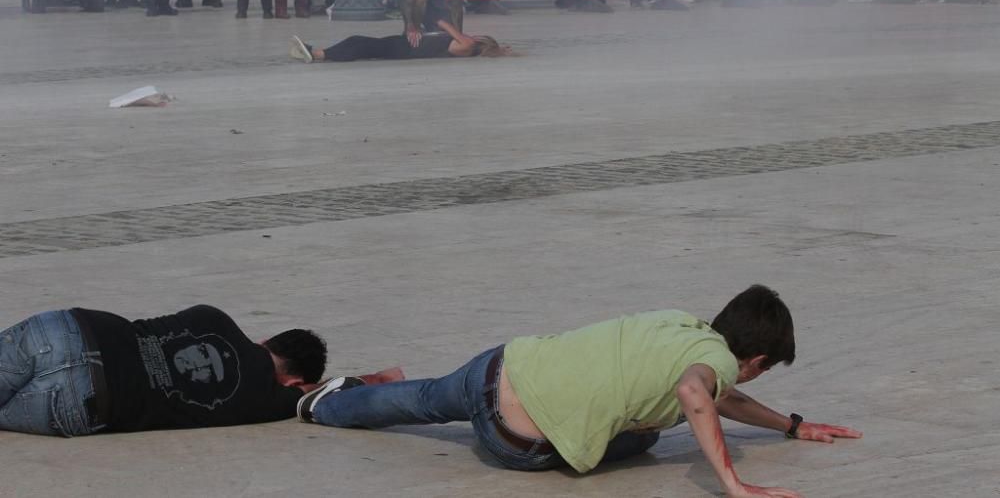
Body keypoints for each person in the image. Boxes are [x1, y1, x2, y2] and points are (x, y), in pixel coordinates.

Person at [297, 285, 861, 497]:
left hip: (498, 367)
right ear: (755, 360)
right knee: (643, 439)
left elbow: (717, 394)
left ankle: (320, 403)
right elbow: (699, 393)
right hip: (513, 442)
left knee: (420, 400)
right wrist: (733, 484)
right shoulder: (711, 365)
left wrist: (791, 425)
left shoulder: (681, 323)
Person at [0, 305, 327, 436]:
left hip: (70, 330)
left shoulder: (214, 317)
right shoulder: (260, 404)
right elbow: (312, 396)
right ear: (294, 380)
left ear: (266, 340)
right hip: (87, 396)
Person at [288, 19, 512, 64]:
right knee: (362, 45)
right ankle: (318, 53)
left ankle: (318, 54)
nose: (473, 36)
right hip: (406, 45)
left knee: (361, 45)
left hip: (405, 48)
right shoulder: (464, 46)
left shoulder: (467, 46)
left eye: (478, 37)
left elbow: (443, 22)